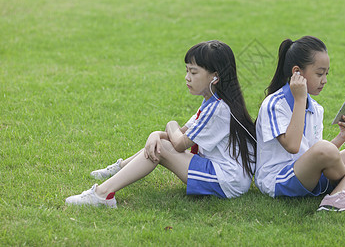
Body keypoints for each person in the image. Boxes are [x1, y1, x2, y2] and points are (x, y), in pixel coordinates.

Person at [66, 40, 257, 207]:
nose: (187, 77)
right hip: (224, 174)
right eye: (186, 71)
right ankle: (120, 169)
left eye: (193, 72)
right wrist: (156, 134)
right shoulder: (213, 101)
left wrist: (168, 124)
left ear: (215, 76)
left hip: (226, 181)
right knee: (160, 144)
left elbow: (180, 142)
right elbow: (182, 133)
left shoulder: (218, 108)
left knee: (161, 148)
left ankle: (102, 194)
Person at [255, 36, 345, 212]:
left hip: (310, 174)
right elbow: (293, 146)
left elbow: (316, 154)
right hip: (278, 180)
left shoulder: (316, 108)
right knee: (324, 148)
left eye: (327, 74)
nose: (324, 80)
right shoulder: (274, 104)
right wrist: (300, 99)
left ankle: (338, 195)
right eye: (319, 74)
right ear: (297, 72)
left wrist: (341, 137)